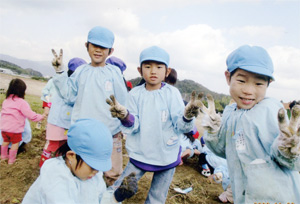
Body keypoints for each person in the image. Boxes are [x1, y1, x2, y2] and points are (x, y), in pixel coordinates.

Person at [199, 45, 300, 203]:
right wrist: (213, 132)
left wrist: (288, 151)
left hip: (279, 197)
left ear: (268, 84)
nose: (248, 90)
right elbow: (223, 151)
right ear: (228, 77)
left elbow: (291, 161)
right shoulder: (230, 112)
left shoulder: (270, 110)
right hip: (244, 196)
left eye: (258, 84)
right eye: (241, 80)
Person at [106, 45, 202, 203]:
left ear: (167, 71)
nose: (153, 71)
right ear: (139, 70)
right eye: (148, 66)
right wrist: (126, 117)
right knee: (121, 187)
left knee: (157, 196)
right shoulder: (135, 94)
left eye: (159, 67)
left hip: (167, 154)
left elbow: (180, 126)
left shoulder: (172, 94)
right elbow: (133, 125)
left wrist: (187, 117)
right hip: (140, 152)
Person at [51, 26, 128, 185]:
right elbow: (68, 95)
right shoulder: (81, 72)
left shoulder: (114, 73)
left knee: (112, 172)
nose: (98, 50)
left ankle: (108, 198)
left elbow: (123, 102)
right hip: (84, 134)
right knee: (81, 170)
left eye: (103, 47)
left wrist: (123, 122)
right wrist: (59, 71)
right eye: (94, 46)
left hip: (110, 132)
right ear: (87, 46)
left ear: (110, 51)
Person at [22, 118, 137, 204]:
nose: (96, 172)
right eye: (93, 167)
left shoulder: (92, 175)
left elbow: (98, 199)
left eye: (98, 168)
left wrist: (116, 197)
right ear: (71, 156)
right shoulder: (55, 177)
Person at [39, 57, 87, 167]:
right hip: (57, 122)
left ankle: (56, 168)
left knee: (62, 147)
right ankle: (43, 167)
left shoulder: (72, 84)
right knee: (52, 146)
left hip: (66, 123)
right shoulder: (64, 83)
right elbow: (71, 99)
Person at [0, 78, 45, 164]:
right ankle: (11, 160)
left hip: (4, 128)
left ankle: (3, 157)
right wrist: (40, 117)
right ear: (22, 91)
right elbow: (30, 115)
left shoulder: (6, 101)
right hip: (15, 130)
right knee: (15, 143)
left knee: (5, 142)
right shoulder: (22, 103)